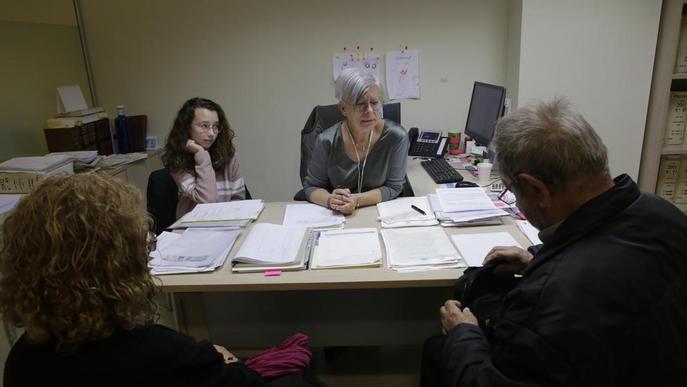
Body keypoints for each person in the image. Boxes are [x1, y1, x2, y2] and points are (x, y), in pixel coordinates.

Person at [423, 98, 687, 386]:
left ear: (537, 190)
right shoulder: (663, 212)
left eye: (512, 190)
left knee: (438, 350)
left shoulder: (547, 298)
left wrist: (463, 334)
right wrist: (538, 259)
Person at [0, 174, 314, 387]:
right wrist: (225, 361)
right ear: (119, 262)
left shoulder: (21, 363)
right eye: (146, 242)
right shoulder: (166, 356)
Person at [303, 68, 409, 215]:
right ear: (343, 108)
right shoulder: (327, 140)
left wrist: (357, 200)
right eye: (360, 104)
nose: (370, 111)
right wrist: (330, 200)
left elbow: (394, 187)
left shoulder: (396, 137)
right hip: (338, 216)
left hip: (379, 215)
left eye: (374, 102)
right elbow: (311, 187)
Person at [162, 97, 246, 219]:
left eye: (216, 126)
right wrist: (201, 154)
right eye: (204, 126)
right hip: (193, 227)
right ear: (187, 127)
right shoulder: (177, 161)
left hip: (227, 224)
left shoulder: (229, 157)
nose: (212, 133)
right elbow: (207, 200)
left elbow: (239, 200)